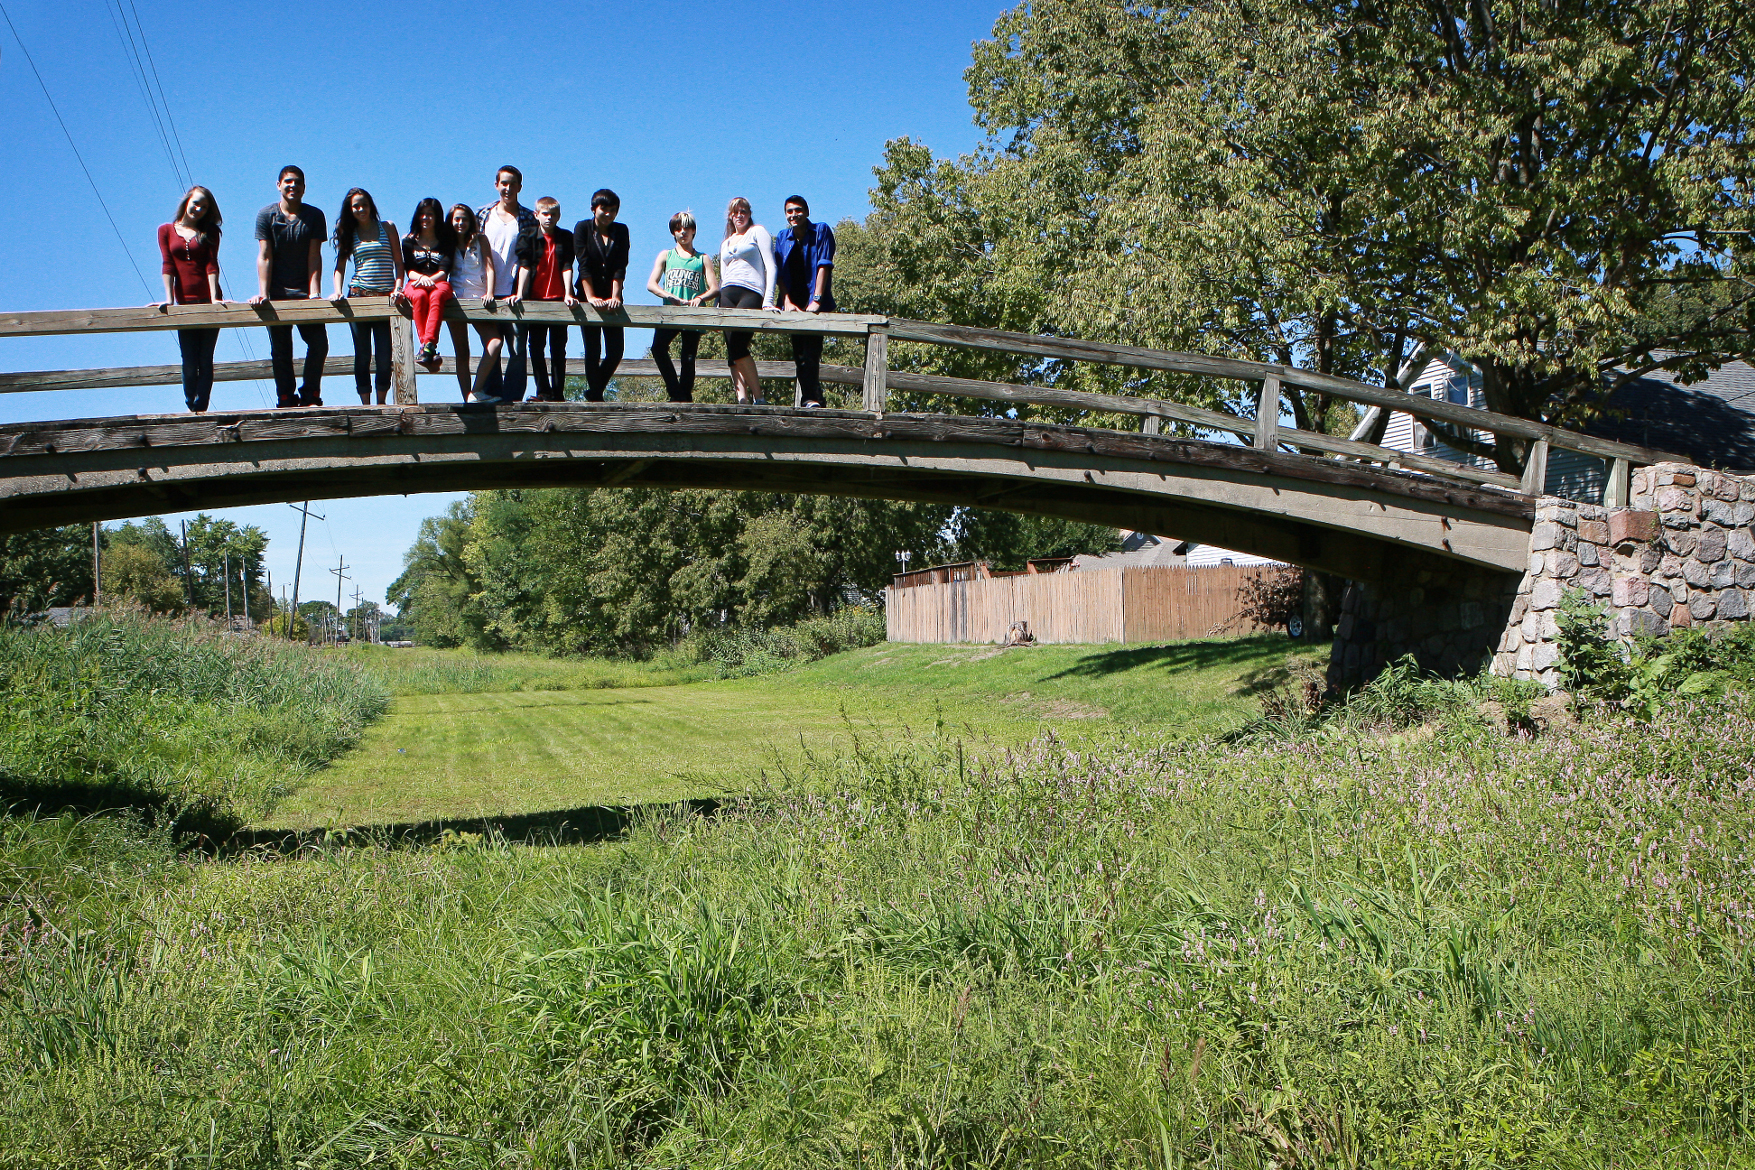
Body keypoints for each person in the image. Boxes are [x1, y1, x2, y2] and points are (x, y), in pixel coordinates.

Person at [251, 166, 328, 408]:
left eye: (297, 182)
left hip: (305, 294)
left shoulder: (315, 216)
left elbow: (314, 256)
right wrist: (263, 294)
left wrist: (315, 293)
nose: (292, 186)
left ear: (304, 187)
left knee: (319, 344)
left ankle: (310, 393)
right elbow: (264, 255)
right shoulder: (266, 215)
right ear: (278, 185)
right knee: (281, 350)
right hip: (277, 294)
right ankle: (285, 395)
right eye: (288, 182)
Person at [156, 185, 225, 413]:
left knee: (205, 359)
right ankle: (190, 405)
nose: (198, 209)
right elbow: (168, 265)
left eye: (204, 207)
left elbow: (211, 264)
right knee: (188, 361)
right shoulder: (166, 231)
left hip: (208, 301)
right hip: (184, 304)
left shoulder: (210, 233)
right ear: (186, 202)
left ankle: (201, 408)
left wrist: (214, 298)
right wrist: (168, 300)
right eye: (196, 203)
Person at [331, 188, 404, 405]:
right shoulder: (348, 231)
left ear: (371, 205)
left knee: (384, 355)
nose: (360, 209)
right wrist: (337, 290)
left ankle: (381, 402)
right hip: (359, 296)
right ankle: (366, 404)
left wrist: (398, 287)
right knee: (362, 354)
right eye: (355, 206)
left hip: (385, 299)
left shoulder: (387, 227)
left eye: (364, 204)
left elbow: (399, 263)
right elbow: (340, 266)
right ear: (350, 210)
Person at [476, 166, 537, 402]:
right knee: (492, 346)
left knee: (518, 349)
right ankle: (490, 396)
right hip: (485, 291)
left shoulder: (529, 218)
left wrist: (524, 290)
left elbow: (531, 258)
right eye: (503, 183)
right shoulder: (481, 215)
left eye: (512, 184)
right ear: (496, 185)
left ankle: (512, 400)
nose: (507, 188)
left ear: (520, 187)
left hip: (515, 292)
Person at [644, 210, 718, 403]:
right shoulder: (666, 255)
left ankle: (684, 397)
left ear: (693, 231)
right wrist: (668, 295)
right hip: (670, 312)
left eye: (686, 228)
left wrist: (700, 298)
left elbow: (714, 288)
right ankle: (674, 391)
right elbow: (651, 284)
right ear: (673, 232)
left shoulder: (702, 258)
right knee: (658, 348)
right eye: (678, 229)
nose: (682, 232)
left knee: (689, 356)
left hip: (693, 313)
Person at [772, 195, 837, 409]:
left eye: (798, 210)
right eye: (789, 211)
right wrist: (786, 301)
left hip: (814, 300)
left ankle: (811, 397)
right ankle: (811, 396)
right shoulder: (782, 237)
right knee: (799, 353)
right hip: (793, 301)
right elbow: (779, 272)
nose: (794, 215)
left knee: (812, 351)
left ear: (807, 212)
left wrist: (817, 300)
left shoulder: (821, 231)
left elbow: (823, 265)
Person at [512, 197, 577, 402]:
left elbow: (567, 265)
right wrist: (520, 293)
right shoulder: (528, 236)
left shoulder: (566, 237)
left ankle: (558, 393)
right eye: (545, 214)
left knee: (558, 348)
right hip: (536, 299)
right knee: (536, 346)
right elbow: (524, 265)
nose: (549, 218)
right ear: (536, 215)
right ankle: (543, 391)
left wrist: (568, 293)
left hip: (558, 300)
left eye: (553, 214)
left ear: (559, 216)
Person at [716, 196, 776, 404]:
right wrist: (718, 304)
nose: (739, 215)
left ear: (749, 214)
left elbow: (771, 266)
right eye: (735, 212)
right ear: (730, 217)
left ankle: (759, 397)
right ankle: (741, 398)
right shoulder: (725, 243)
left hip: (751, 292)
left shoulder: (757, 232)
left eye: (744, 212)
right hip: (727, 294)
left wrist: (768, 300)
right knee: (731, 347)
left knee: (739, 344)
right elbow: (723, 277)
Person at [572, 189, 630, 402]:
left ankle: (594, 391)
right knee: (593, 349)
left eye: (613, 210)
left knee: (615, 351)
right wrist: (590, 297)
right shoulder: (582, 228)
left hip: (612, 296)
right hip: (587, 294)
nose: (608, 214)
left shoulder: (621, 230)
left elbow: (620, 266)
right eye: (604, 209)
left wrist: (616, 295)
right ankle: (595, 395)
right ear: (593, 208)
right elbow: (583, 264)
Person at [445, 203, 503, 402]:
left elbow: (489, 268)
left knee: (494, 342)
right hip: (454, 301)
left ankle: (475, 391)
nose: (461, 223)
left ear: (471, 221)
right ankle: (466, 398)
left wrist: (489, 292)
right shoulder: (446, 243)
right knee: (462, 352)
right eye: (457, 219)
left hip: (478, 299)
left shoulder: (480, 240)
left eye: (465, 219)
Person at [399, 198, 454, 373]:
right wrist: (421, 278)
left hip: (440, 281)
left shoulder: (446, 240)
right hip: (415, 281)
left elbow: (445, 269)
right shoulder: (408, 241)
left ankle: (428, 345)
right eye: (422, 214)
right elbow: (409, 269)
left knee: (437, 296)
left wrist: (432, 280)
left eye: (430, 214)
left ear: (437, 217)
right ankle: (427, 347)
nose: (426, 218)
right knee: (420, 296)